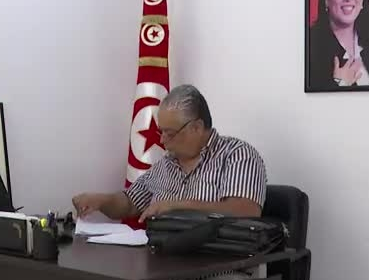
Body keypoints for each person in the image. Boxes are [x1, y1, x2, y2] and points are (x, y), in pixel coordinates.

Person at [72, 84, 267, 223]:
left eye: (170, 133)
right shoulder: (166, 164)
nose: (162, 140)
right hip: (163, 259)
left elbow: (245, 211)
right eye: (161, 132)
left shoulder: (238, 155)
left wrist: (177, 206)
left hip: (218, 263)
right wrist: (102, 201)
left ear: (197, 127)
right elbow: (131, 203)